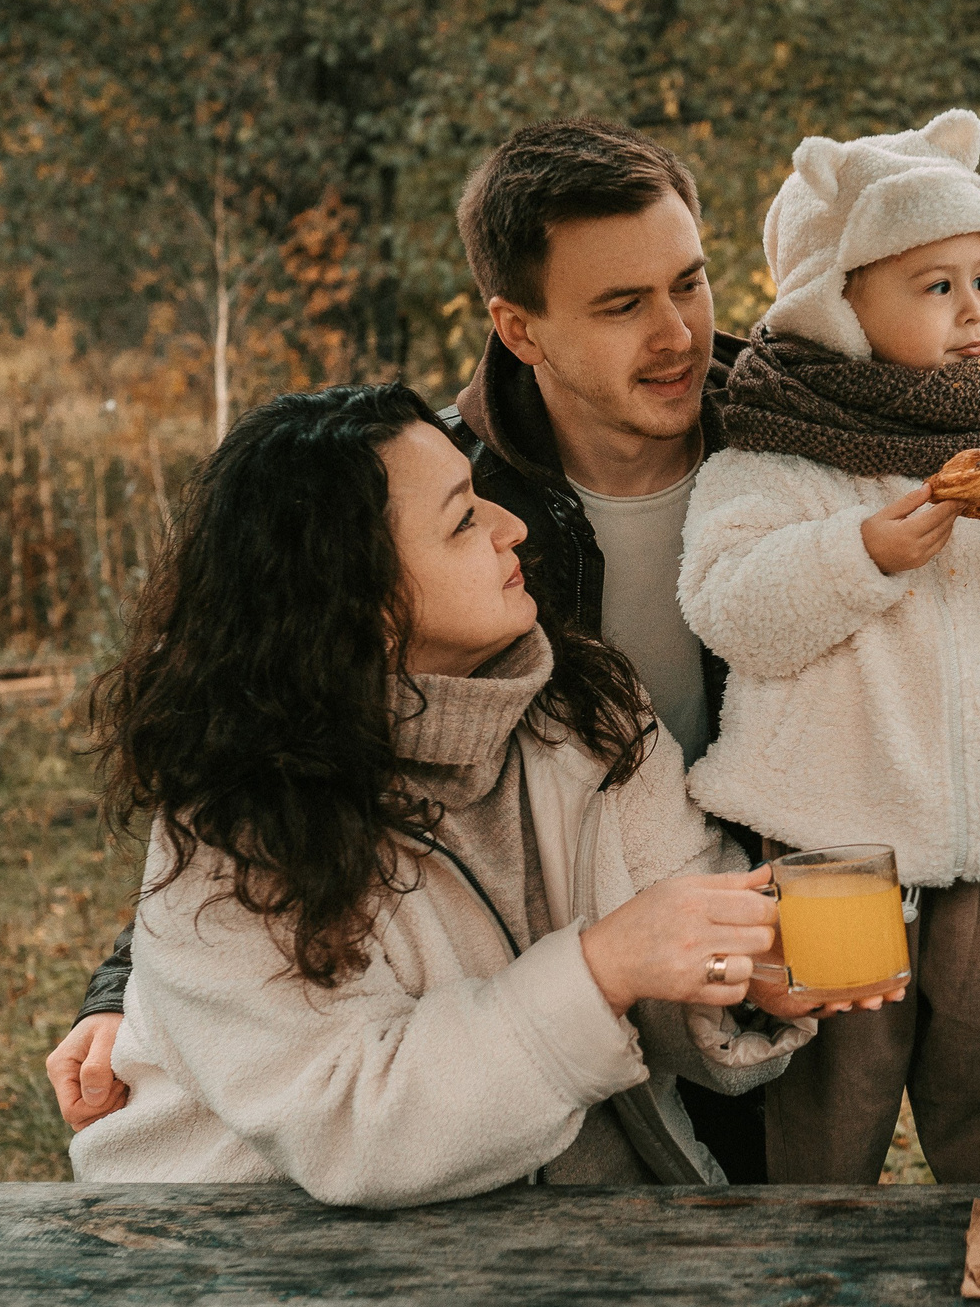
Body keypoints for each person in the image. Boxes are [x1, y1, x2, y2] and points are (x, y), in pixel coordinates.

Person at [46, 118, 937, 1178]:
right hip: (474, 1097)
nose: (679, 335)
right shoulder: (422, 488)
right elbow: (250, 798)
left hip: (725, 945)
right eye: (620, 305)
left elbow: (967, 642)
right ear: (518, 328)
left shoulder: (814, 457)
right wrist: (131, 994)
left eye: (689, 285)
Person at [70, 383, 819, 1203]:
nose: (512, 527)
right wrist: (600, 969)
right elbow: (355, 1123)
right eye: (464, 519)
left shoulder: (589, 710)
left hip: (571, 1236)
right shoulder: (235, 828)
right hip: (245, 1259)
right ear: (356, 601)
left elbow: (679, 922)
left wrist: (745, 977)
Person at [680, 110, 980, 1184]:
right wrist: (862, 554)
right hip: (832, 848)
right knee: (834, 1085)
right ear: (836, 303)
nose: (976, 310)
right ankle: (814, 1261)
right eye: (937, 286)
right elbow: (734, 612)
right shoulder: (773, 458)